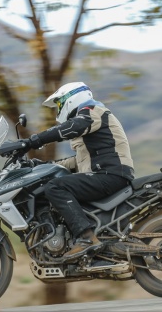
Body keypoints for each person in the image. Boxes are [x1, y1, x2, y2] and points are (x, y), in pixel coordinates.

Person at [25, 82, 135, 259]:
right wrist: (45, 165)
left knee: (55, 187)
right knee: (51, 186)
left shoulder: (91, 110)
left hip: (110, 174)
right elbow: (79, 161)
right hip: (106, 173)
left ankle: (86, 237)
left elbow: (70, 128)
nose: (58, 109)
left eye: (59, 104)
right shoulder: (88, 123)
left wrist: (32, 141)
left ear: (72, 98)